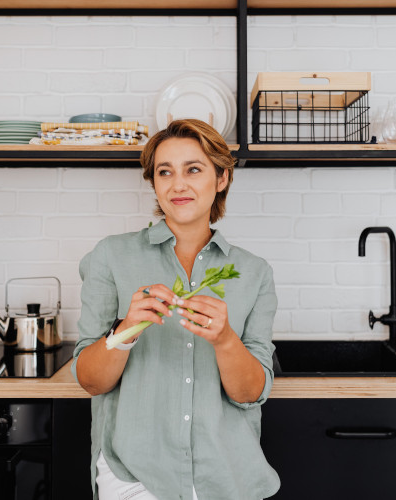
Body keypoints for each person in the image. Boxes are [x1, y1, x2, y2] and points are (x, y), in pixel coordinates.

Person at [72, 119, 280, 500]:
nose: (177, 184)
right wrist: (127, 329)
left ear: (221, 178)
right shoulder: (110, 256)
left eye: (194, 169)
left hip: (227, 474)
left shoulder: (254, 273)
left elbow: (250, 393)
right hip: (134, 475)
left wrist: (225, 341)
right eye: (164, 172)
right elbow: (90, 381)